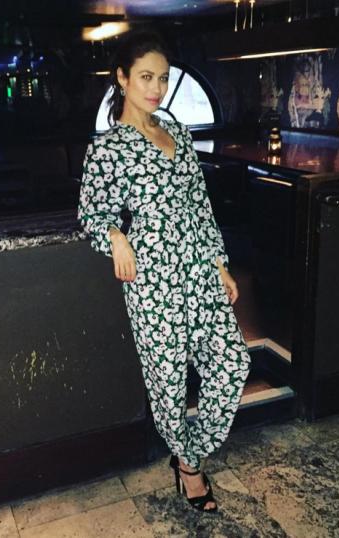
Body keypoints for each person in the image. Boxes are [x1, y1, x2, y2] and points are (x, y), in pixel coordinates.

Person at [77, 31, 252, 513]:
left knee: (232, 364)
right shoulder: (108, 149)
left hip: (199, 266)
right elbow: (92, 213)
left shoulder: (177, 131)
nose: (156, 88)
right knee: (169, 382)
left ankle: (190, 452)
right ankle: (189, 466)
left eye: (163, 78)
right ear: (122, 78)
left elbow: (200, 203)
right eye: (146, 77)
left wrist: (219, 263)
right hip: (152, 277)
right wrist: (115, 236)